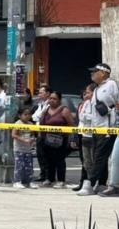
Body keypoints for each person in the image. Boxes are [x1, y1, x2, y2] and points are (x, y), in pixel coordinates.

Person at [81, 63, 118, 195]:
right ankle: (101, 184)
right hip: (96, 130)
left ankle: (90, 183)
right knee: (98, 156)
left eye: (95, 71)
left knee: (99, 157)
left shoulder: (111, 85)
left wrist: (114, 114)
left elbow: (116, 103)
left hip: (108, 130)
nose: (92, 74)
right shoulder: (97, 89)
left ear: (103, 73)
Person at [37, 90, 74, 189]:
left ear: (59, 100)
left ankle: (61, 180)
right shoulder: (46, 109)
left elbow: (71, 125)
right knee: (48, 160)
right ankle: (49, 179)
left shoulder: (64, 110)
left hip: (60, 140)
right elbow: (41, 123)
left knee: (59, 160)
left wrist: (68, 137)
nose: (52, 100)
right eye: (50, 98)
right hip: (46, 140)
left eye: (54, 99)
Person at [74, 84, 97, 193]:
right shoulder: (85, 104)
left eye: (87, 93)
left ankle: (95, 183)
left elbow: (94, 118)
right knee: (86, 161)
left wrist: (86, 117)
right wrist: (86, 117)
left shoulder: (96, 103)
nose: (85, 95)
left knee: (95, 161)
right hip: (84, 134)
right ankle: (86, 182)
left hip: (94, 136)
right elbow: (81, 118)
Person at [12, 107, 37, 189]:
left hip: (28, 149)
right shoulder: (17, 123)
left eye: (29, 114)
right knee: (19, 166)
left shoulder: (31, 124)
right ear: (20, 115)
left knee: (29, 166)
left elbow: (33, 134)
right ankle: (17, 181)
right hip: (19, 148)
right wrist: (23, 140)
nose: (27, 116)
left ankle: (29, 181)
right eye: (25, 114)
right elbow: (14, 135)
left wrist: (32, 139)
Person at [32, 85, 50, 183]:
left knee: (46, 155)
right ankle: (42, 174)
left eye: (41, 92)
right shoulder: (41, 104)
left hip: (46, 133)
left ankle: (48, 176)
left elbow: (41, 116)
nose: (39, 94)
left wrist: (38, 116)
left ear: (47, 93)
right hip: (38, 131)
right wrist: (38, 116)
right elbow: (35, 116)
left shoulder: (49, 104)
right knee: (40, 154)